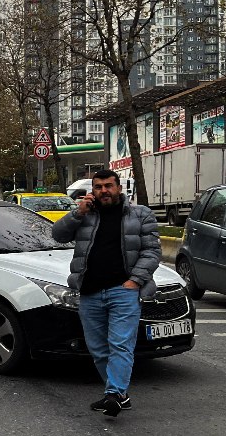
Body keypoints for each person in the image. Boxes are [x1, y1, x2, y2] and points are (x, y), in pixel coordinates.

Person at [51, 169, 160, 417]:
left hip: (123, 291)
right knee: (98, 349)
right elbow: (58, 235)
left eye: (109, 186)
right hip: (89, 291)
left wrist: (135, 281)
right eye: (98, 187)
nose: (104, 191)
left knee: (120, 345)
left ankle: (113, 394)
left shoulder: (140, 214)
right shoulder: (85, 214)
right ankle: (119, 394)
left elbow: (152, 252)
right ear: (93, 190)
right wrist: (77, 213)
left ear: (119, 188)